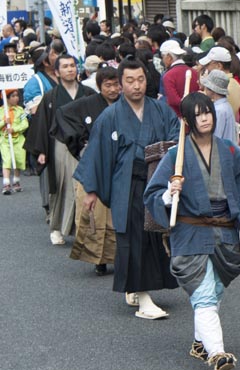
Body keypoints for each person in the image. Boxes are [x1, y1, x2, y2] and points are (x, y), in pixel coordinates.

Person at [145, 93, 240, 370]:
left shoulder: (230, 151)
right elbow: (152, 194)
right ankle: (218, 354)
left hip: (224, 232)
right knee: (205, 293)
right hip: (190, 231)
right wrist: (169, 194)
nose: (205, 118)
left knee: (215, 288)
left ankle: (200, 343)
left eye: (207, 112)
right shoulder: (176, 155)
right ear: (187, 121)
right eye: (198, 114)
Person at [74, 59, 180, 319]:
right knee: (134, 238)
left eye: (141, 80)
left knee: (156, 237)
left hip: (156, 182)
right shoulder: (110, 116)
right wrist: (91, 190)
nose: (136, 86)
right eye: (130, 81)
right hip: (128, 185)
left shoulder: (161, 109)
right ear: (121, 84)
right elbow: (97, 154)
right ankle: (143, 298)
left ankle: (137, 287)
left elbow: (177, 141)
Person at [55, 66, 121, 274]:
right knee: (96, 214)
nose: (112, 90)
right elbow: (63, 114)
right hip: (96, 164)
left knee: (120, 215)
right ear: (99, 86)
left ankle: (121, 257)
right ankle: (98, 259)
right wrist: (81, 145)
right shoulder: (88, 104)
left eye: (116, 85)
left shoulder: (127, 104)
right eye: (107, 85)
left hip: (121, 164)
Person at [25, 54, 96, 246]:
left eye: (72, 66)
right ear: (57, 72)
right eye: (65, 66)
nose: (70, 69)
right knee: (63, 185)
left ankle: (85, 228)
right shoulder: (51, 96)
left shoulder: (88, 93)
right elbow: (42, 124)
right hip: (61, 145)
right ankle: (56, 227)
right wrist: (41, 151)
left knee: (87, 186)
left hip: (86, 145)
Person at [160, 39, 200, 118]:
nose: (162, 60)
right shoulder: (194, 72)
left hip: (178, 117)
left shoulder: (168, 76)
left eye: (163, 57)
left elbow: (173, 100)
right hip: (195, 115)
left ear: (168, 57)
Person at [0, 89, 27, 195]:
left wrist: (14, 129)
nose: (16, 98)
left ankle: (16, 181)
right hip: (4, 139)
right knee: (7, 160)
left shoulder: (21, 110)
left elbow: (25, 124)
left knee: (19, 160)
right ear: (6, 98)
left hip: (19, 139)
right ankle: (6, 184)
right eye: (13, 96)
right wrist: (3, 122)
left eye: (17, 96)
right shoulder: (1, 111)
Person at [200, 69, 237, 144]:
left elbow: (216, 136)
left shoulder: (218, 110)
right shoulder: (226, 105)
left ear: (212, 91)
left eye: (206, 88)